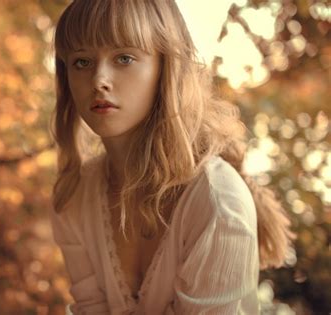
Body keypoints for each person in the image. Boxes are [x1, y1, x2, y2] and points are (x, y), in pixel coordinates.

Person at [49, 0, 294, 314]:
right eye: (81, 62)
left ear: (166, 69)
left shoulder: (217, 201)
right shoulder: (72, 198)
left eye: (124, 58)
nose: (99, 80)